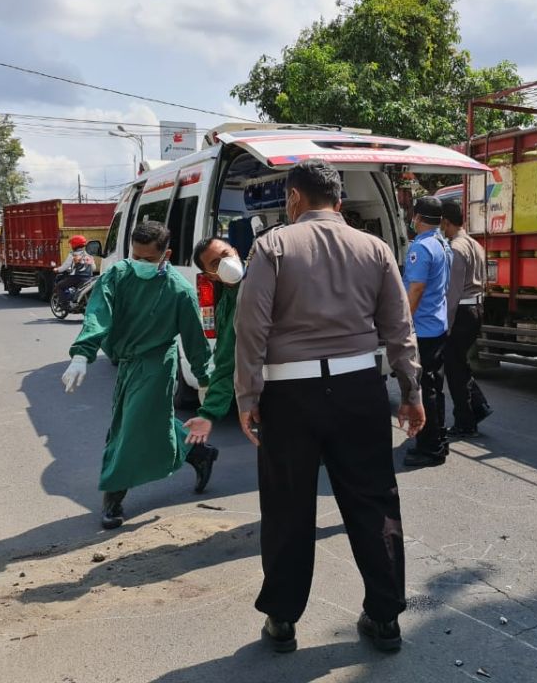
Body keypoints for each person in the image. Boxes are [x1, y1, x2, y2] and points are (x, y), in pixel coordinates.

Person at [234, 159, 425, 654]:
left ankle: (282, 620)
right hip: (361, 389)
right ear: (338, 200)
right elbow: (399, 330)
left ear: (294, 198)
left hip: (288, 396)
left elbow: (251, 328)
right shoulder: (375, 248)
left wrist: (247, 395)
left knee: (287, 507)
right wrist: (411, 392)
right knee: (373, 500)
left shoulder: (272, 245)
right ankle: (384, 619)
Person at [61, 220, 221, 529]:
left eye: (148, 259)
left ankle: (113, 497)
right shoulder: (119, 275)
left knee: (128, 431)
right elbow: (98, 311)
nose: (140, 264)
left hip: (158, 364)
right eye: (136, 256)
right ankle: (197, 451)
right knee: (142, 422)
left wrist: (205, 380)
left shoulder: (179, 290)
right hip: (128, 363)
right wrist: (83, 353)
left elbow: (194, 340)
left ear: (166, 254)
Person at [401, 196, 452, 468]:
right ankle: (438, 440)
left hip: (423, 328)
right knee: (435, 388)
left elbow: (416, 289)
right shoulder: (443, 244)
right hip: (437, 325)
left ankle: (430, 448)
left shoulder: (420, 248)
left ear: (418, 217)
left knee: (425, 390)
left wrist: (402, 323)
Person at [441, 200, 493, 439]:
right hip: (476, 308)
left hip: (461, 312)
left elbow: (452, 292)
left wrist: (447, 324)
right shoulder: (475, 244)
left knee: (454, 367)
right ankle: (477, 408)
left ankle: (466, 421)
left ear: (446, 222)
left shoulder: (455, 248)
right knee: (459, 363)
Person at [192, 237, 245, 422]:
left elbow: (227, 361)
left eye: (226, 255)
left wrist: (209, 412)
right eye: (215, 263)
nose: (225, 263)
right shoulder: (226, 297)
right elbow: (226, 352)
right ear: (209, 275)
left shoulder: (257, 287)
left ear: (236, 252)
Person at [54, 235, 95, 310]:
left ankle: (64, 305)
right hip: (89, 278)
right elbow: (93, 267)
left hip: (76, 277)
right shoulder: (89, 254)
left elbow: (65, 266)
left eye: (71, 244)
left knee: (59, 286)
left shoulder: (73, 254)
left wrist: (58, 270)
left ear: (74, 245)